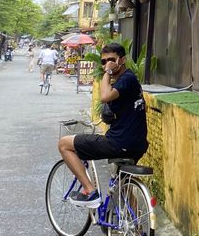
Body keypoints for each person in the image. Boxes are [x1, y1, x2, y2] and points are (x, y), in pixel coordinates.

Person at [57, 42, 148, 207]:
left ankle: (89, 191)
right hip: (137, 145)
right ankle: (137, 228)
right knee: (122, 182)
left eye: (111, 60)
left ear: (122, 60)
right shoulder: (128, 81)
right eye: (104, 62)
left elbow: (105, 97)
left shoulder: (127, 78)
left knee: (64, 144)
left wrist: (107, 73)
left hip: (118, 143)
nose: (107, 64)